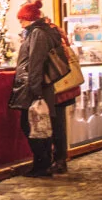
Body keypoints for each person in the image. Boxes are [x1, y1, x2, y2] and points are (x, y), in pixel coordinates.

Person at [9, 0, 58, 177]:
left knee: (31, 125)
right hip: (37, 87)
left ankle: (42, 163)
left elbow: (35, 63)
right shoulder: (39, 32)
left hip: (34, 88)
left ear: (29, 18)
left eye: (22, 19)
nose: (20, 23)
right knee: (39, 125)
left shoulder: (37, 33)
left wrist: (35, 91)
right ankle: (43, 162)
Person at [43, 17, 78, 174]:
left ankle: (58, 159)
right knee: (59, 123)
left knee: (56, 124)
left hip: (57, 85)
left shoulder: (48, 36)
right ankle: (60, 158)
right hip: (64, 84)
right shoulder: (59, 34)